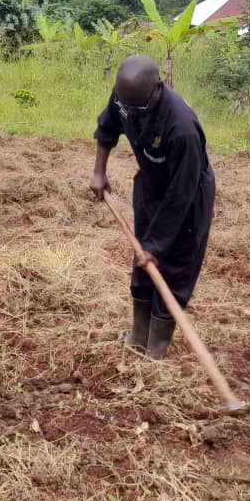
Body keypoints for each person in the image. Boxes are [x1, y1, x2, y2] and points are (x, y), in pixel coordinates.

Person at [89, 55, 215, 360]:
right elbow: (107, 128)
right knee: (143, 262)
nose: (132, 113)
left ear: (158, 87)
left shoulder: (182, 129)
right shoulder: (126, 96)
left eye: (139, 109)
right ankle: (138, 335)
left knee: (174, 266)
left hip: (187, 196)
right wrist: (99, 172)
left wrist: (157, 245)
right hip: (150, 183)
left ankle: (155, 349)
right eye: (127, 106)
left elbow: (180, 196)